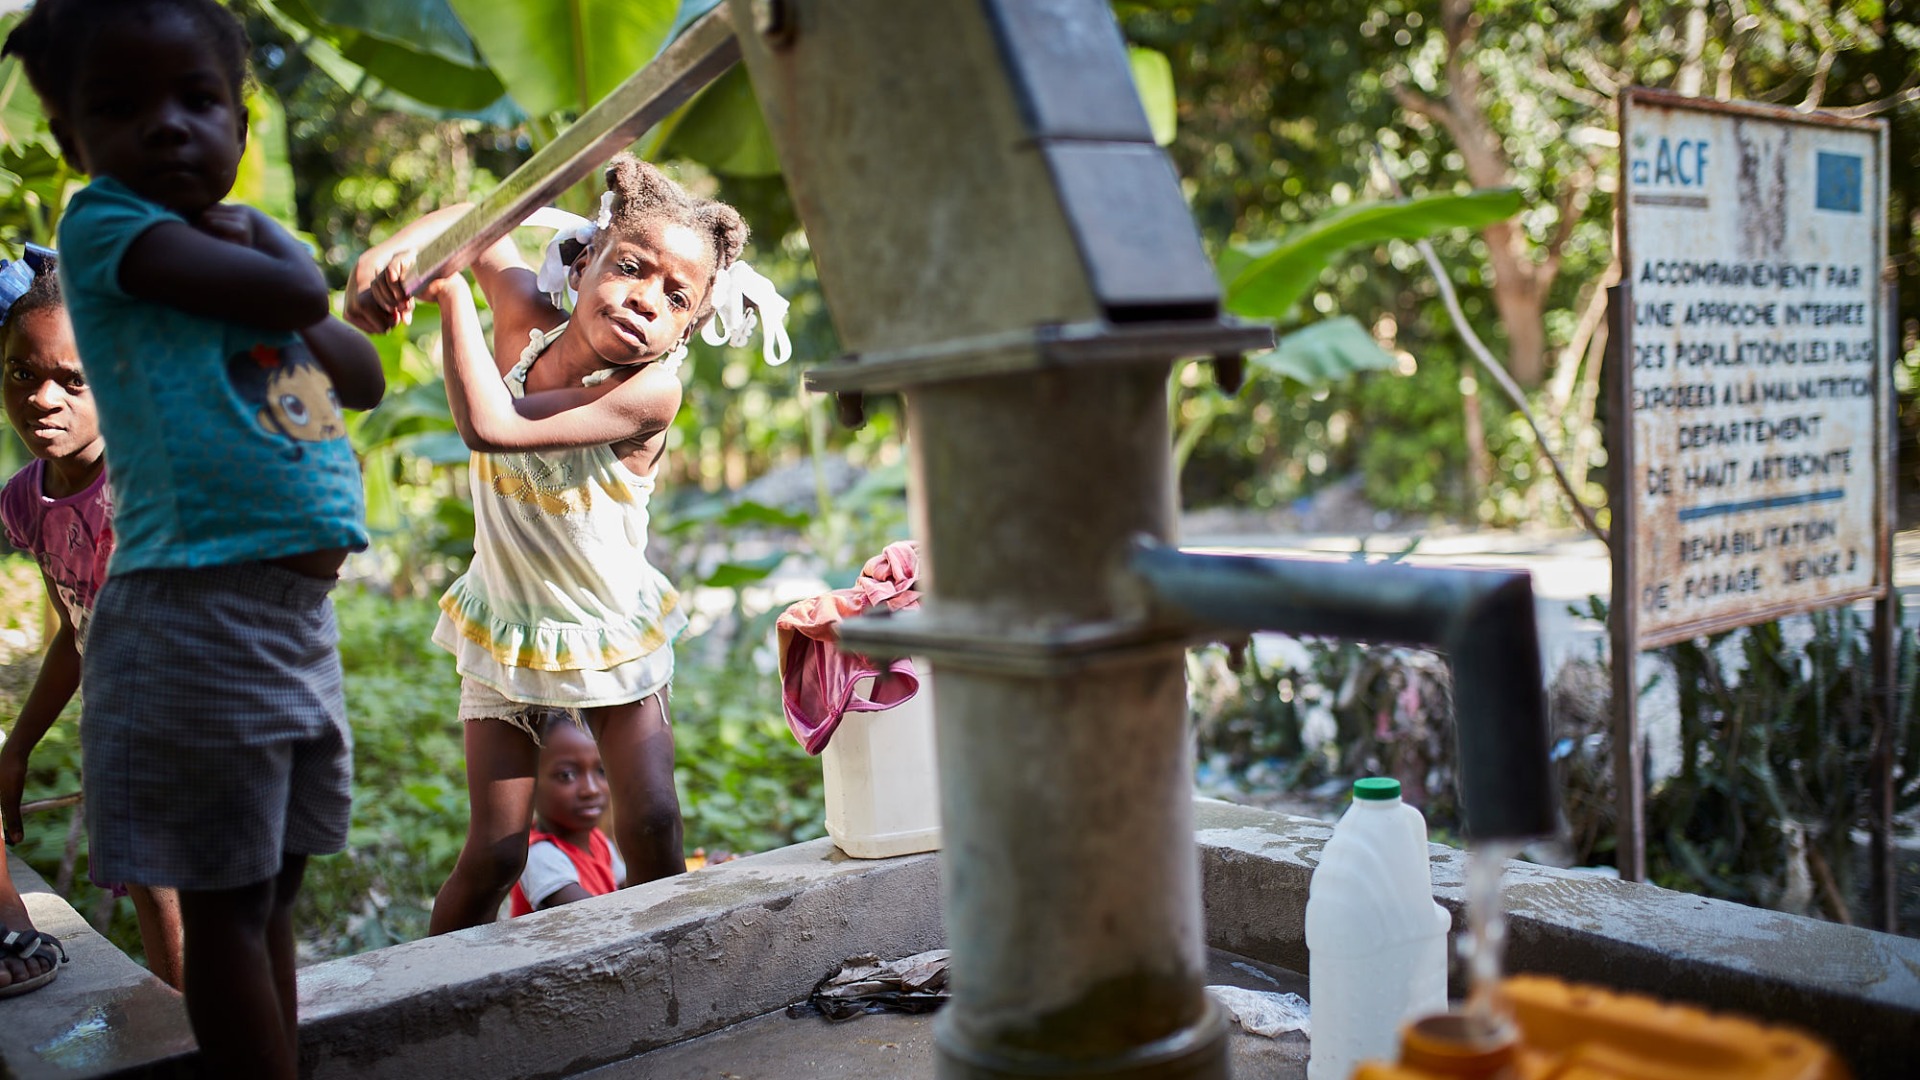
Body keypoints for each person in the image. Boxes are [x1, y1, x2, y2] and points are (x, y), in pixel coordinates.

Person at [4, 3, 382, 1075]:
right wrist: (281, 262)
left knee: (271, 891)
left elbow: (353, 374)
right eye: (121, 108)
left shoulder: (243, 260)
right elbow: (297, 294)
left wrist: (292, 283)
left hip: (293, 622)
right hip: (193, 615)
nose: (166, 126)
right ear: (77, 143)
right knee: (224, 903)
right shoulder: (109, 231)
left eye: (197, 100)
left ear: (241, 123)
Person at [346, 154, 775, 934]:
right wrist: (385, 258)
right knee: (497, 851)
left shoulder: (648, 392)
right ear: (582, 266)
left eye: (676, 296)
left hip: (609, 632)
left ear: (689, 325)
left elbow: (492, 427)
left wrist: (443, 295)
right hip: (507, 623)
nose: (647, 298)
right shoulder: (520, 319)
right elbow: (481, 218)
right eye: (632, 268)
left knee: (652, 824)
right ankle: (427, 1001)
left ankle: (662, 997)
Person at [0, 256, 186, 992]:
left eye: (75, 381)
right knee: (157, 908)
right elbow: (76, 634)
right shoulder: (26, 501)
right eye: (21, 373)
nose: (43, 399)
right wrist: (17, 748)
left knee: (186, 916)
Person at [509, 717, 625, 916]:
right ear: (530, 782)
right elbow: (596, 919)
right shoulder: (539, 855)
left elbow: (629, 890)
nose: (591, 789)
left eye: (601, 771)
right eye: (567, 775)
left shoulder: (598, 842)